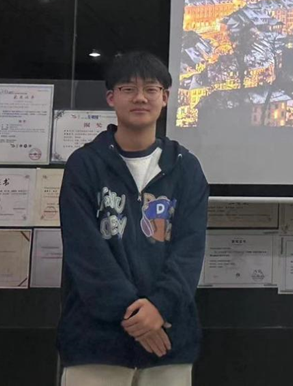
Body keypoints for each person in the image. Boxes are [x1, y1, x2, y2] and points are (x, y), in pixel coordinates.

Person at [57, 51, 209, 386]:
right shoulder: (84, 165)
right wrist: (136, 317)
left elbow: (190, 250)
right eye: (128, 89)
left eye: (151, 89)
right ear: (111, 97)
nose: (140, 97)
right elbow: (85, 252)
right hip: (96, 343)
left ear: (165, 97)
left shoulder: (186, 168)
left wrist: (160, 308)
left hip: (168, 340)